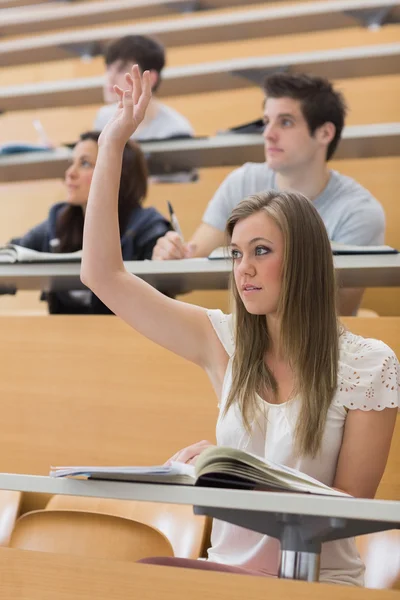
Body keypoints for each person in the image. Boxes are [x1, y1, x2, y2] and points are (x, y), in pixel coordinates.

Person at [81, 67, 399, 586]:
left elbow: (348, 513)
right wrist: (114, 142)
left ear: (304, 261)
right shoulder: (221, 338)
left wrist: (229, 465)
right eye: (234, 254)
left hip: (319, 585)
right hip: (226, 579)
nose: (242, 269)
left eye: (261, 252)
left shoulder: (370, 365)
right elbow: (102, 274)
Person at [152, 73, 386, 316]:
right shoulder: (242, 182)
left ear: (325, 133)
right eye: (266, 121)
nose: (268, 134)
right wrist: (173, 254)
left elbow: (335, 311)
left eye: (285, 122)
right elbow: (191, 264)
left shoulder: (360, 211)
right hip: (249, 335)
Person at [10, 131, 171, 314]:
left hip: (126, 337)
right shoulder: (58, 221)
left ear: (118, 173)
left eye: (85, 163)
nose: (70, 173)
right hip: (64, 337)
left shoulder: (146, 226)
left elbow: (168, 283)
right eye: (72, 163)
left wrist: (167, 254)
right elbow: (13, 252)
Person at [94, 35, 194, 142]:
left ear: (150, 78)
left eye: (122, 69)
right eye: (108, 69)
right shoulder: (104, 118)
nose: (110, 78)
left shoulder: (176, 130)